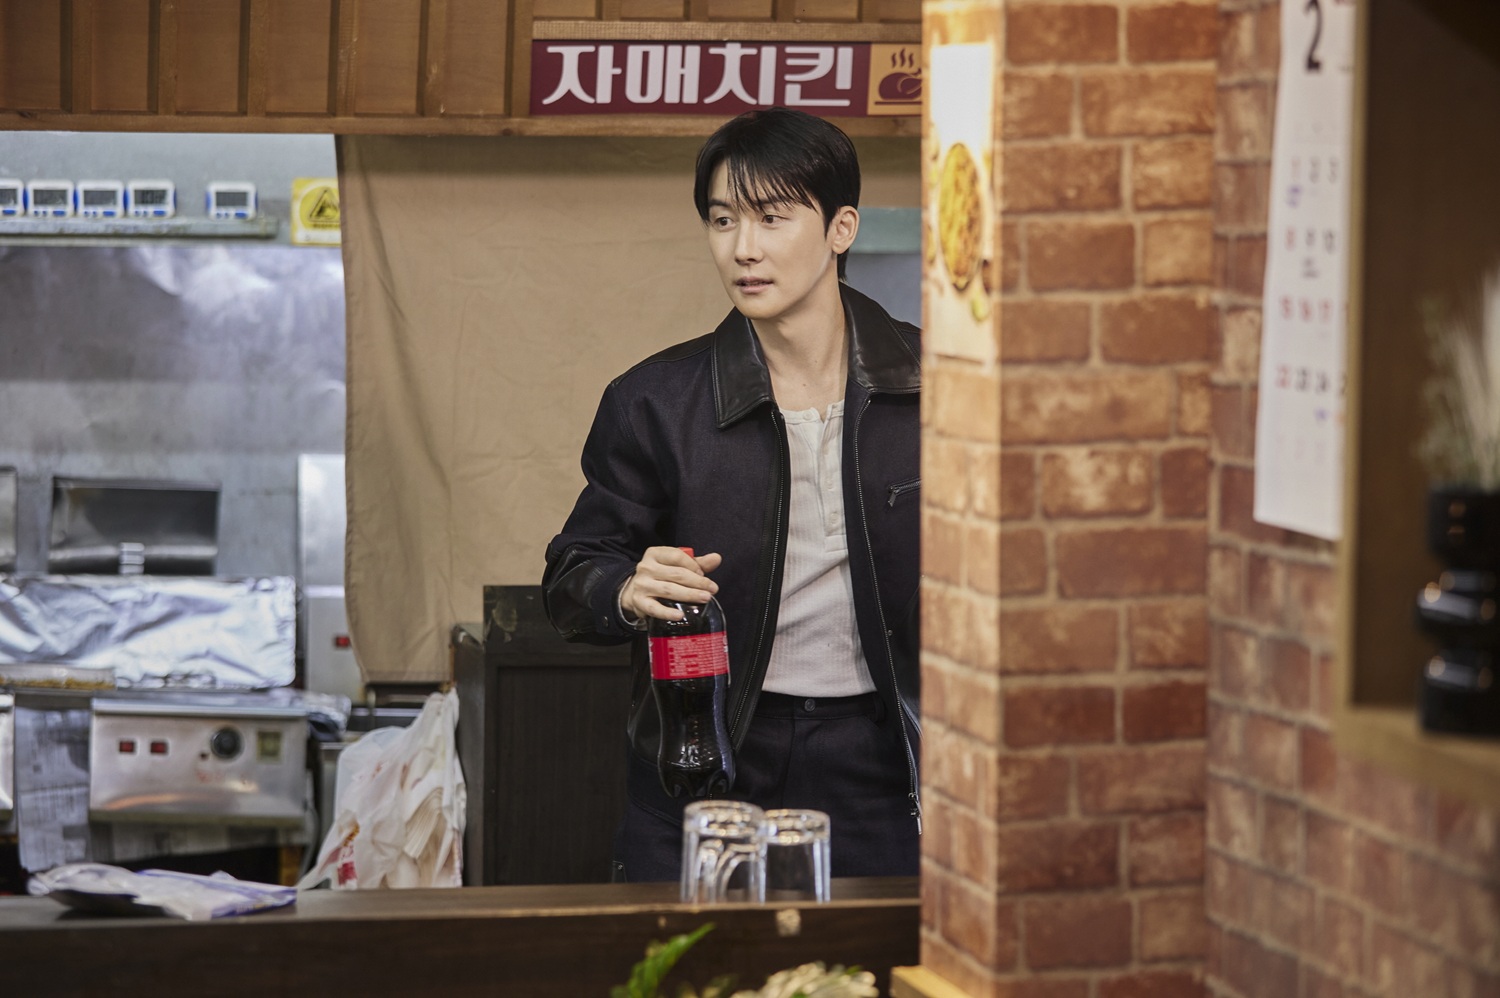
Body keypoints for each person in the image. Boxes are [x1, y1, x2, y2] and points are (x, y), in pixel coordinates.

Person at [542, 106, 921, 882]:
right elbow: (572, 575)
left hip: (889, 761)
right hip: (707, 752)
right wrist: (625, 588)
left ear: (841, 228)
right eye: (722, 220)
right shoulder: (655, 401)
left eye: (772, 218)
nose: (743, 248)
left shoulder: (941, 387)